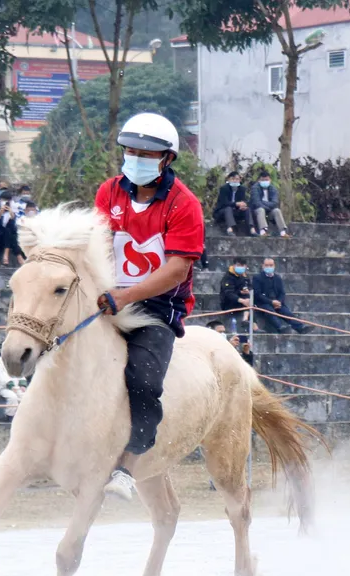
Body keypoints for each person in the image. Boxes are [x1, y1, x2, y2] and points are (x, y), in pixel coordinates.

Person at [94, 112, 205, 502]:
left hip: (157, 309)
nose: (136, 159)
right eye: (130, 151)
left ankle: (127, 466)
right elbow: (99, 245)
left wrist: (127, 295)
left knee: (143, 380)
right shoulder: (109, 191)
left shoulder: (184, 204)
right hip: (108, 299)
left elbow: (177, 269)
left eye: (146, 154)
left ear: (167, 159)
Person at [251, 258, 310, 333]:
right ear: (263, 266)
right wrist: (271, 302)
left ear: (274, 266)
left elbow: (282, 293)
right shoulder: (257, 278)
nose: (269, 267)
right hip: (263, 303)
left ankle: (300, 328)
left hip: (277, 303)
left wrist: (279, 302)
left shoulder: (277, 278)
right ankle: (280, 327)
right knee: (269, 311)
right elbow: (257, 294)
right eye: (266, 265)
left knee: (286, 312)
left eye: (271, 265)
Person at [219, 257, 253, 335]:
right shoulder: (228, 277)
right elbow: (228, 293)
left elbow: (250, 286)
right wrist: (242, 300)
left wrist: (247, 290)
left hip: (243, 302)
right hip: (229, 303)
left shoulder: (244, 276)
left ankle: (247, 320)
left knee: (249, 297)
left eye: (242, 265)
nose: (240, 267)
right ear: (234, 265)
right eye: (238, 265)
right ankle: (246, 320)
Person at [213, 170, 251, 235]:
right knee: (228, 208)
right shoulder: (224, 188)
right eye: (233, 179)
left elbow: (244, 200)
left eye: (237, 179)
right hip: (222, 212)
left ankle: (252, 229)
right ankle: (230, 229)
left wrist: (243, 205)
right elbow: (224, 203)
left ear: (240, 180)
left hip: (236, 212)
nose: (235, 181)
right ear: (229, 179)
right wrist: (236, 204)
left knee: (247, 209)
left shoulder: (242, 189)